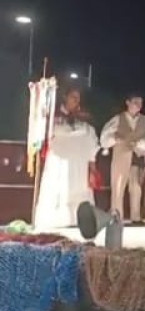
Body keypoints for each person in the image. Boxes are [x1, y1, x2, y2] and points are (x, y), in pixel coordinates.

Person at [34, 88, 100, 230]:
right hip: (60, 161)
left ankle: (79, 219)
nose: (76, 100)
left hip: (79, 162)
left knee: (79, 187)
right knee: (61, 185)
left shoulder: (83, 118)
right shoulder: (54, 116)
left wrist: (92, 165)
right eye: (73, 96)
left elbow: (91, 139)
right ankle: (57, 219)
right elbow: (50, 133)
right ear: (65, 97)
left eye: (78, 97)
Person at [99, 92, 145, 223]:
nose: (138, 105)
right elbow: (104, 139)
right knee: (118, 185)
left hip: (137, 155)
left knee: (135, 186)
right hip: (121, 155)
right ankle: (116, 215)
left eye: (140, 102)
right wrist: (115, 139)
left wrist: (139, 144)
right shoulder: (118, 119)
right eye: (135, 101)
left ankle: (135, 217)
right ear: (128, 102)